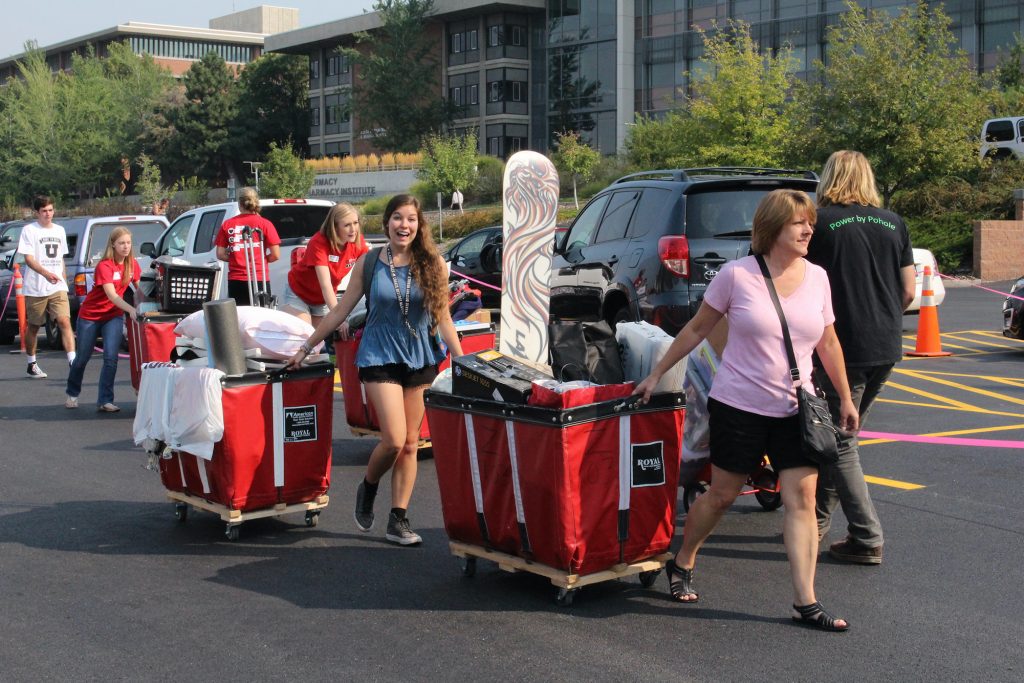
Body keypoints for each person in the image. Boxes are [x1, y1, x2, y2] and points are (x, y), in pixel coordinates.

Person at [634, 189, 858, 632]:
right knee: (720, 496)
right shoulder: (737, 276)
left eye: (810, 222)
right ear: (773, 227)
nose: (809, 229)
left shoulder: (817, 278)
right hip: (739, 405)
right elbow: (698, 328)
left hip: (797, 408)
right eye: (799, 222)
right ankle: (683, 560)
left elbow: (828, 342)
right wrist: (657, 373)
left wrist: (846, 397)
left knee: (802, 499)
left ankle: (805, 601)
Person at [286, 194, 464, 546]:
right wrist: (307, 347)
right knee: (394, 439)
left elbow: (443, 317)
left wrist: (462, 362)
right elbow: (338, 311)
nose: (404, 225)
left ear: (419, 225)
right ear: (387, 223)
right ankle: (368, 486)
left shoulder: (433, 263)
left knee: (412, 444)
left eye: (411, 219)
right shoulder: (369, 262)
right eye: (398, 218)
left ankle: (397, 520)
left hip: (419, 355)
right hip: (379, 354)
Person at [806, 150, 916, 566]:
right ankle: (819, 522)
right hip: (886, 344)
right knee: (843, 437)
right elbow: (908, 291)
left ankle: (867, 536)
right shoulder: (893, 222)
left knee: (839, 443)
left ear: (829, 177)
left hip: (842, 345)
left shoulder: (823, 225)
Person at [65, 227, 142, 412]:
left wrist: (149, 305)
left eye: (128, 243)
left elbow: (140, 291)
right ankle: (72, 393)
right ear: (113, 245)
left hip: (113, 316)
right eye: (121, 243)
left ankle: (105, 400)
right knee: (83, 357)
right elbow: (112, 295)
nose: (125, 247)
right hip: (90, 316)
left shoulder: (132, 264)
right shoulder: (104, 266)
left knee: (111, 358)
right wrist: (131, 309)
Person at [281, 202, 368, 330]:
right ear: (335, 227)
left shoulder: (358, 242)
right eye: (347, 225)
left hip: (322, 300)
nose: (353, 229)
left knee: (319, 343)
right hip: (299, 294)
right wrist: (339, 318)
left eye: (355, 223)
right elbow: (325, 284)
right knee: (305, 334)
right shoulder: (319, 242)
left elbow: (369, 271)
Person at [17, 195, 76, 378]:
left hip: (57, 285)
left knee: (64, 321)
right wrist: (45, 274)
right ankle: (31, 363)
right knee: (34, 326)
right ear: (37, 212)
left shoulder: (59, 230)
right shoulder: (29, 230)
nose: (48, 214)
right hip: (36, 287)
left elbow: (60, 259)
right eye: (44, 211)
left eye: (50, 210)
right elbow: (28, 258)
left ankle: (73, 361)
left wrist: (63, 280)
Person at [214, 187, 281, 306]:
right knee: (261, 315)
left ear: (240, 204)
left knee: (241, 317)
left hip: (236, 280)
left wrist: (236, 258)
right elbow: (276, 255)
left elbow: (220, 254)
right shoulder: (265, 224)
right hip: (260, 277)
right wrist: (262, 260)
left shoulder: (227, 224)